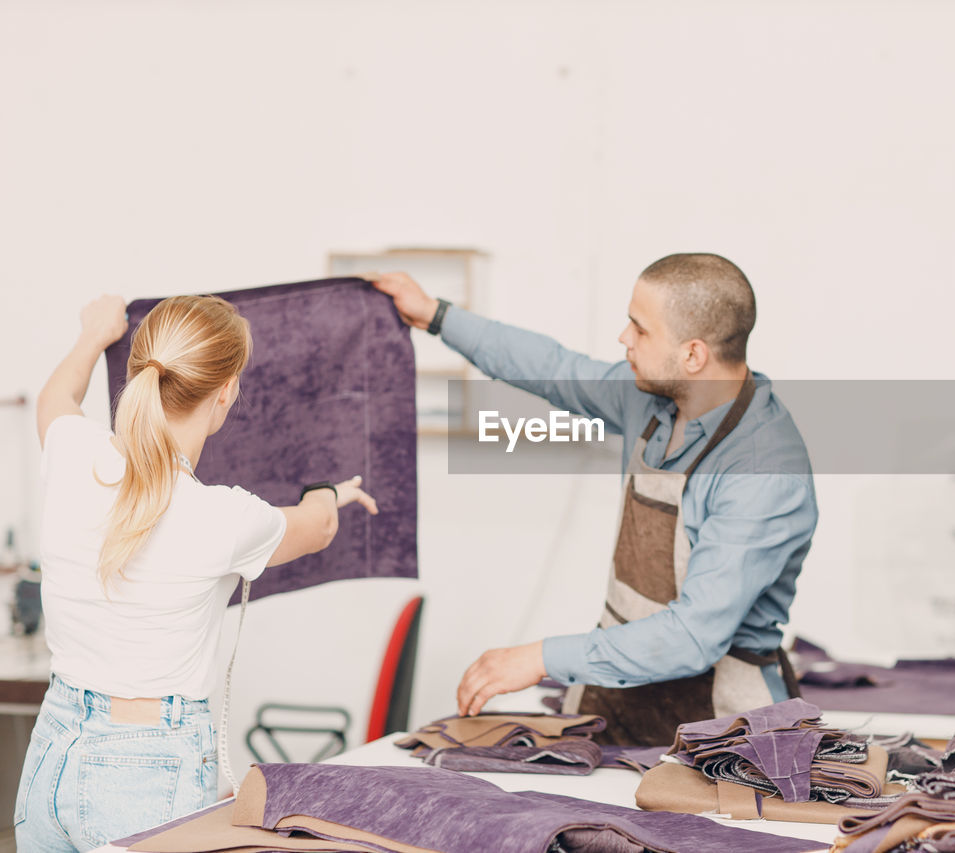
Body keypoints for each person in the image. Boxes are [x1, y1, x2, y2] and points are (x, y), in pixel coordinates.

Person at [372, 253, 817, 746]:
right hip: (619, 698)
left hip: (726, 727)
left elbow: (693, 637)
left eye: (640, 329)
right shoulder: (653, 400)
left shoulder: (762, 469)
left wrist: (539, 657)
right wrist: (436, 314)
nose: (623, 338)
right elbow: (552, 367)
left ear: (693, 356)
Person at [14, 294, 378, 851]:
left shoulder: (70, 452)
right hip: (147, 765)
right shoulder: (223, 518)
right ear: (227, 390)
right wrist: (332, 492)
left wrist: (93, 332)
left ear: (139, 372)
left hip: (53, 745)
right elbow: (318, 525)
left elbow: (55, 397)